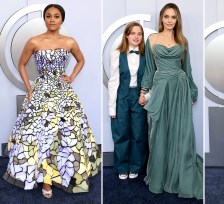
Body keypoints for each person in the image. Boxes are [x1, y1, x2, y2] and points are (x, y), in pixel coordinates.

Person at [3, 4, 101, 199]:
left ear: (62, 19)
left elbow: (81, 60)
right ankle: (46, 179)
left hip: (62, 91)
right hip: (41, 91)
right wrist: (29, 89)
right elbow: (21, 64)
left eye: (56, 16)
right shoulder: (34, 41)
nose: (52, 19)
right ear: (44, 19)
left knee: (68, 132)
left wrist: (71, 76)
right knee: (42, 134)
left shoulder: (70, 41)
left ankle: (66, 173)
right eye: (48, 16)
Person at [138, 3, 203, 200]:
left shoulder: (182, 41)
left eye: (173, 17)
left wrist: (192, 90)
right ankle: (160, 178)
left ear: (177, 20)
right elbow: (149, 69)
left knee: (181, 133)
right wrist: (144, 91)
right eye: (166, 16)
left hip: (180, 88)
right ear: (161, 19)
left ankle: (179, 177)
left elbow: (188, 69)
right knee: (158, 133)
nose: (169, 20)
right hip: (160, 88)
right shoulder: (151, 39)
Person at [108, 22, 148, 180]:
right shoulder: (117, 54)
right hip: (122, 97)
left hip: (140, 97)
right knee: (121, 133)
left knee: (139, 134)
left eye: (139, 34)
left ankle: (136, 166)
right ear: (126, 35)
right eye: (133, 33)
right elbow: (113, 81)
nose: (136, 37)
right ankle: (122, 166)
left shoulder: (147, 55)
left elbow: (151, 78)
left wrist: (147, 96)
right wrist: (111, 108)